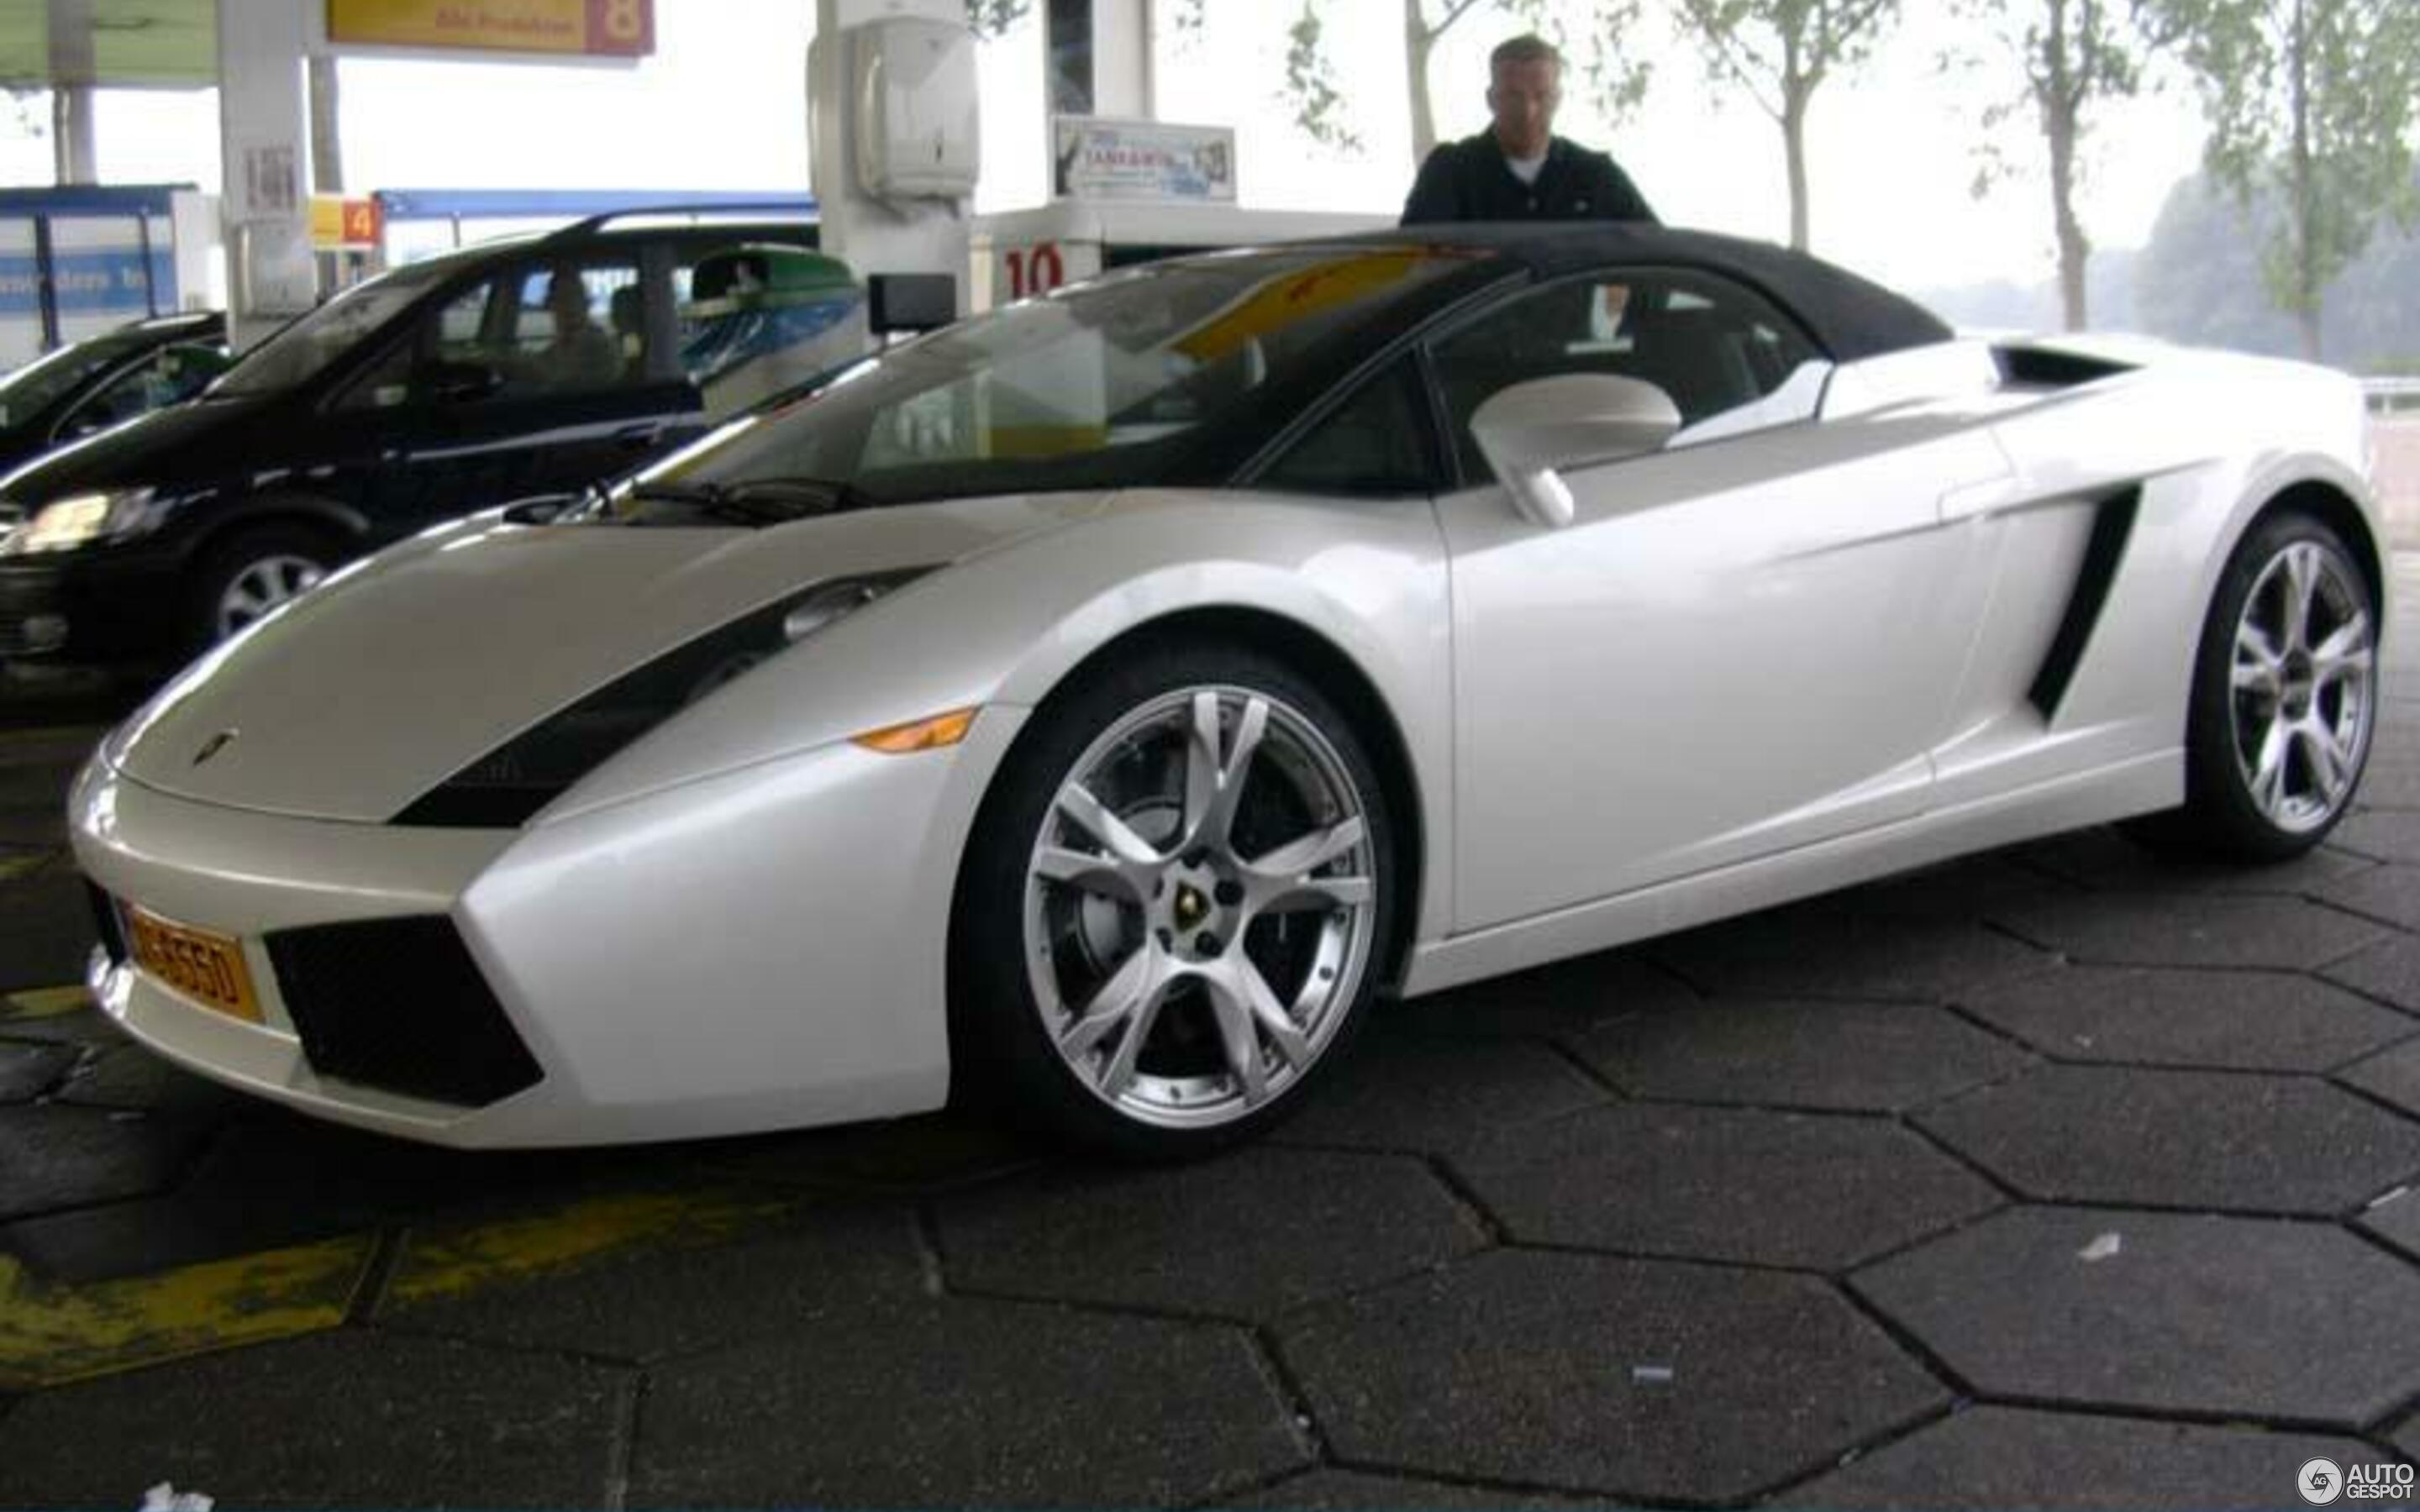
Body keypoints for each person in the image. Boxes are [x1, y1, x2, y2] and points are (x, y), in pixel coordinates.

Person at [1401, 34, 1656, 226]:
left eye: (1541, 96)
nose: (1528, 111)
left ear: (1558, 99)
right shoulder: (1449, 173)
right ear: (1491, 99)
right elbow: (1411, 263)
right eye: (1513, 96)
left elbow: (1659, 256)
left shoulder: (1598, 177)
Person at [532, 268, 620, 390]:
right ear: (551, 305)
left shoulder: (600, 345)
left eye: (575, 297)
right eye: (562, 298)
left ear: (586, 304)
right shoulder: (554, 350)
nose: (570, 305)